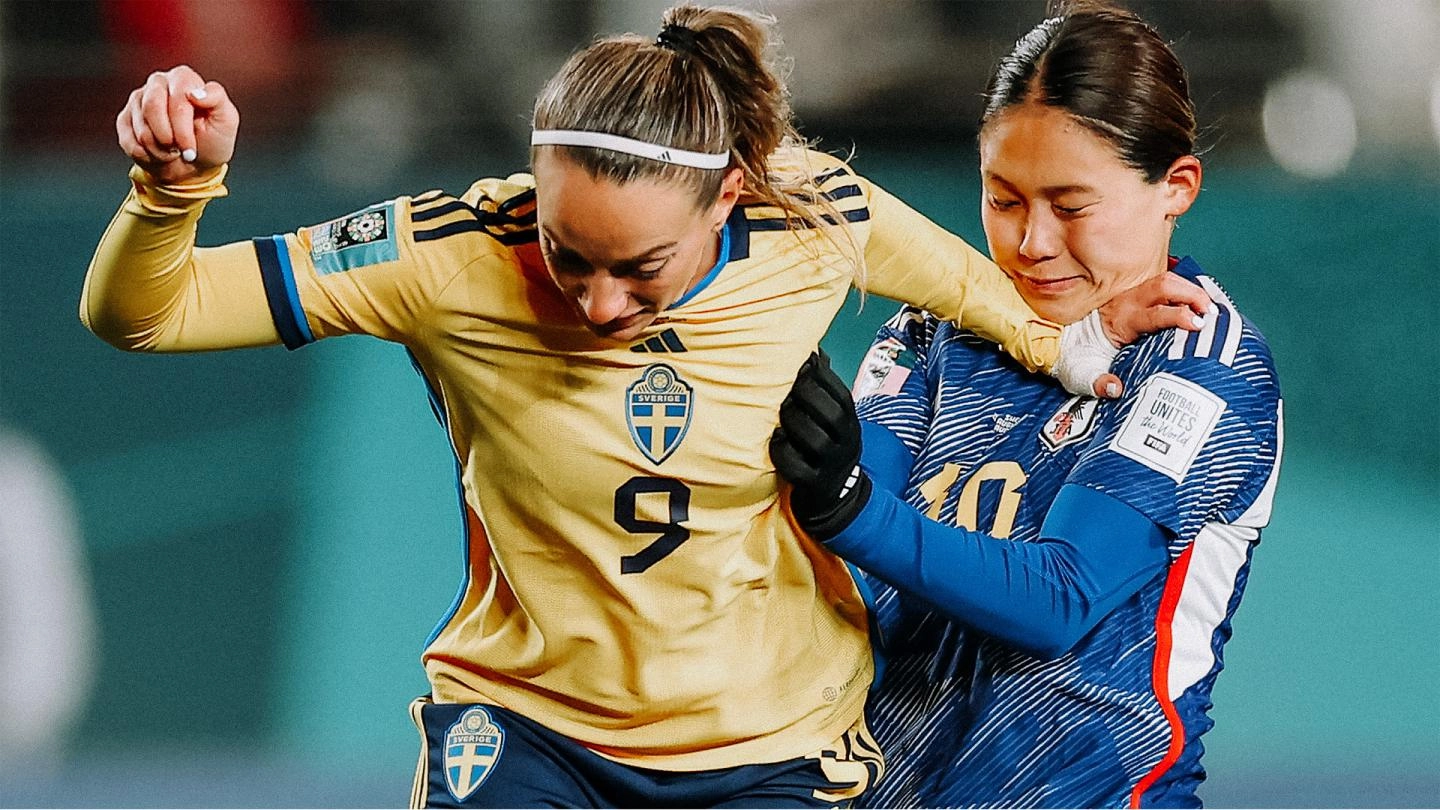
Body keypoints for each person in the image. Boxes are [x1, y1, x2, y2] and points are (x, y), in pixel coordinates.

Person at [83, 3, 1209, 807]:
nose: (600, 300)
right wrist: (168, 191)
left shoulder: (809, 210)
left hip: (773, 747)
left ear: (729, 193)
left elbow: (972, 286)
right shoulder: (446, 254)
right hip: (529, 731)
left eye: (643, 268)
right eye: (571, 254)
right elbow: (146, 312)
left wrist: (1075, 342)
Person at [770, 2, 1284, 807]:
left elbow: (1062, 597)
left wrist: (849, 509)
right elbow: (831, 564)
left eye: (1071, 206)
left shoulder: (1201, 362)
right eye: (1003, 199)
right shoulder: (932, 331)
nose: (1032, 243)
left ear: (1176, 187)